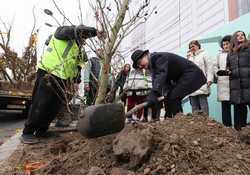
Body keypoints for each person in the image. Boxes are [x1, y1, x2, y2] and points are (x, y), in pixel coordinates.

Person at [21, 25, 103, 144]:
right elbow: (78, 31)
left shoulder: (78, 49)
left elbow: (78, 67)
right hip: (48, 72)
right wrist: (96, 32)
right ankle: (27, 132)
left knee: (54, 106)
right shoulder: (62, 33)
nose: (84, 40)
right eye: (83, 38)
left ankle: (42, 130)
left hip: (63, 79)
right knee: (41, 103)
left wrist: (76, 81)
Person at [131, 50, 207, 118]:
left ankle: (178, 121)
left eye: (139, 62)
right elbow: (162, 82)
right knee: (169, 98)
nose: (140, 66)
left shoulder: (158, 57)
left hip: (191, 74)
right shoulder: (153, 66)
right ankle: (170, 119)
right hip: (182, 77)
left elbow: (161, 75)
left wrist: (154, 92)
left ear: (145, 56)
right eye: (138, 66)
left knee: (174, 96)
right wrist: (156, 96)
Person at [226, 30, 250, 130]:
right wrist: (227, 71)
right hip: (236, 85)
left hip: (248, 82)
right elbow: (228, 66)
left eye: (242, 35)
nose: (240, 37)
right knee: (239, 110)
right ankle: (240, 132)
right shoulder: (231, 53)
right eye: (237, 35)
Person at [188, 40, 213, 115]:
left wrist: (209, 79)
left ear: (198, 46)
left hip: (202, 82)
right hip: (192, 85)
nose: (192, 48)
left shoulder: (204, 54)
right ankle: (197, 124)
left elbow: (209, 67)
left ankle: (206, 122)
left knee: (203, 105)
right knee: (194, 107)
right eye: (190, 47)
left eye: (193, 46)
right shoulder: (189, 57)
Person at [214, 35, 232, 127]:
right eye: (224, 44)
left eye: (227, 44)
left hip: (234, 83)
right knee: (225, 106)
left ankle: (240, 126)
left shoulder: (235, 53)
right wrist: (218, 73)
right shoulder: (219, 55)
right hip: (223, 83)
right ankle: (227, 126)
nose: (225, 46)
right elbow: (215, 66)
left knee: (239, 106)